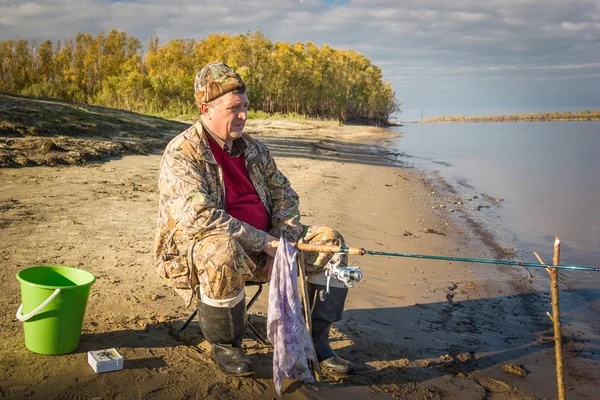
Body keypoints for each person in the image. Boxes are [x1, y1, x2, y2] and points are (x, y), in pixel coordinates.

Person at [154, 62, 353, 376]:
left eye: (246, 107)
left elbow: (286, 198)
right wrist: (267, 243)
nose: (244, 116)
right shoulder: (182, 153)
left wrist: (283, 244)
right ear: (206, 109)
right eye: (235, 108)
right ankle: (226, 345)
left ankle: (317, 341)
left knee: (331, 242)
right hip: (201, 255)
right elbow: (200, 218)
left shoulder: (255, 150)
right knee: (223, 249)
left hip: (269, 245)